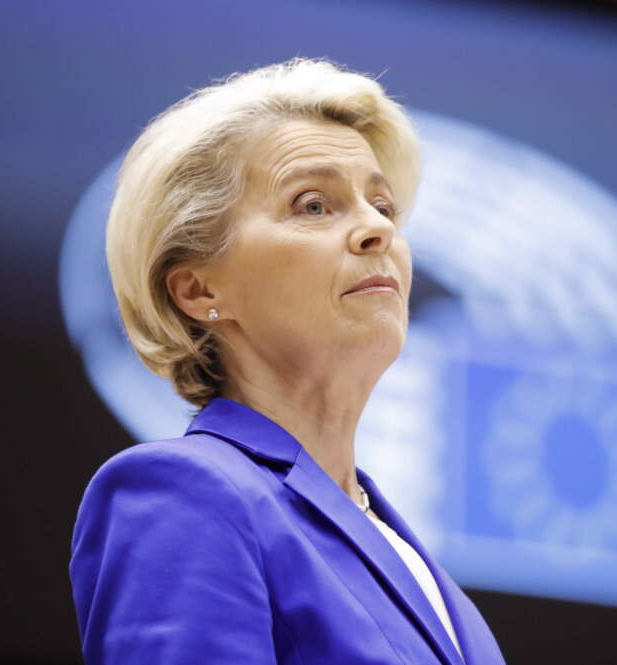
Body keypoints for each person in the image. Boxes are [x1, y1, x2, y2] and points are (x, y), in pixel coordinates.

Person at [69, 57, 506, 665]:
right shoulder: (185, 494)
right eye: (313, 205)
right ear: (199, 291)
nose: (375, 231)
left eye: (382, 206)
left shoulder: (414, 562)